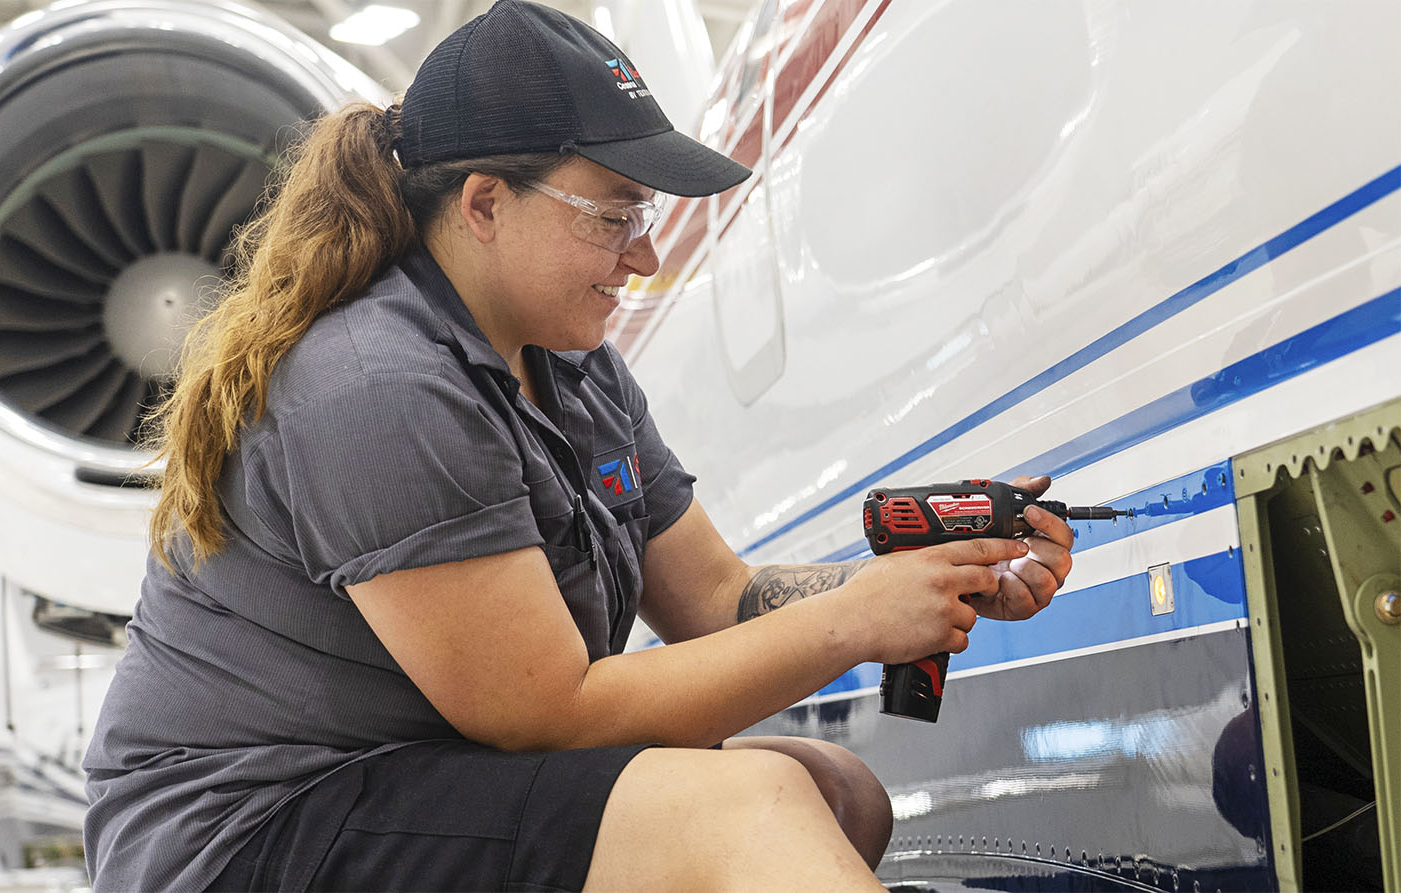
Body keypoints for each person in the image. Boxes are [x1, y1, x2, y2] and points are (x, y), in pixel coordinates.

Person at [82, 2, 1075, 890]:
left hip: (412, 782)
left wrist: (926, 579)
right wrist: (857, 621)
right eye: (613, 216)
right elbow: (547, 711)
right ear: (482, 205)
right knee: (746, 807)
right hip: (250, 835)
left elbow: (718, 600)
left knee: (837, 789)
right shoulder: (380, 386)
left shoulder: (572, 363)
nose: (643, 256)